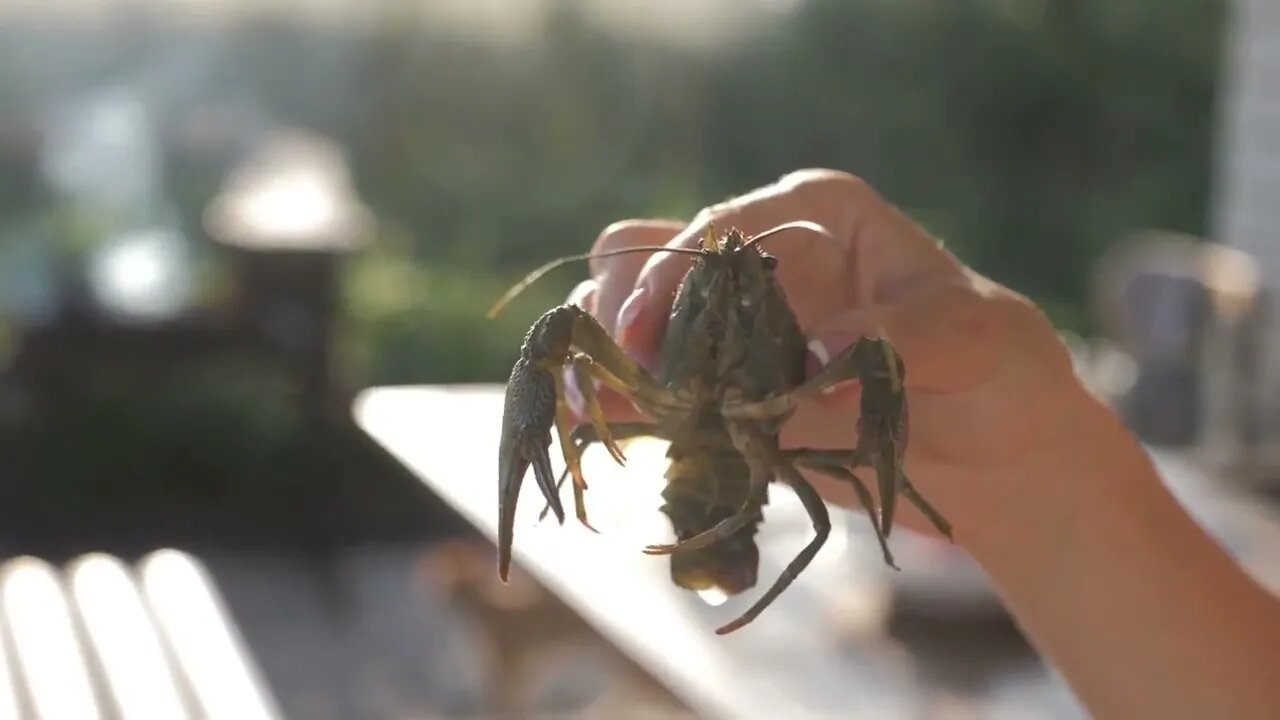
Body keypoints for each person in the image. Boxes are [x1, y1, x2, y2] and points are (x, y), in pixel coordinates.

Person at [561, 169, 1280, 719]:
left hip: (752, 500)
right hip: (702, 479)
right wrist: (1039, 472)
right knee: (556, 338)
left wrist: (1030, 481)